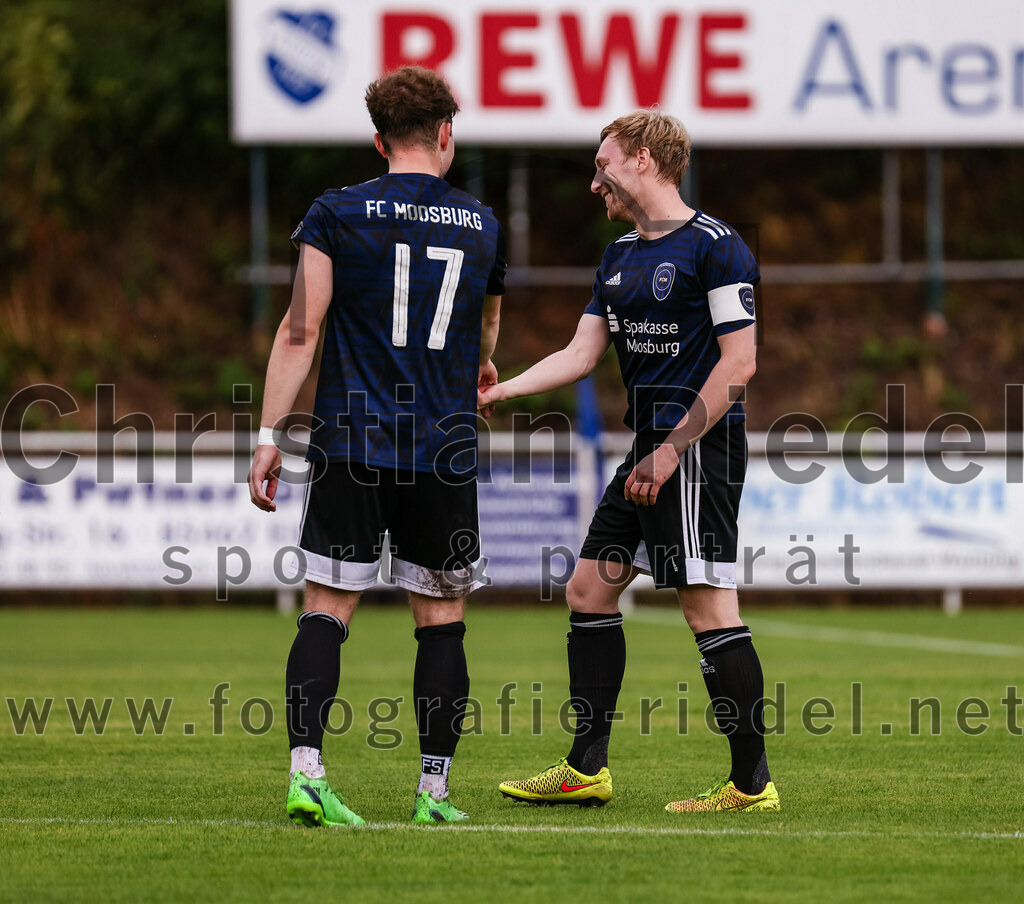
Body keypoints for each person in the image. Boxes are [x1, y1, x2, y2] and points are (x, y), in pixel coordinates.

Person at [480, 110, 778, 813]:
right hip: (647, 454)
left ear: (643, 158)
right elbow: (580, 354)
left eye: (603, 165)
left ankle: (751, 784)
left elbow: (740, 363)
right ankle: (587, 768)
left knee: (708, 608)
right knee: (588, 589)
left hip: (695, 451)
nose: (595, 183)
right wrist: (502, 388)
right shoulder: (617, 257)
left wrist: (673, 449)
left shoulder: (716, 246)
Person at [248, 66, 506, 827]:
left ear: (378, 140)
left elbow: (301, 330)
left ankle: (307, 775)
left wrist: (267, 434)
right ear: (446, 135)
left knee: (326, 609)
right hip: (442, 445)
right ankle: (433, 794)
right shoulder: (482, 223)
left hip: (352, 439)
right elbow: (487, 329)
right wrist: (481, 364)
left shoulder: (335, 212)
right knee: (442, 617)